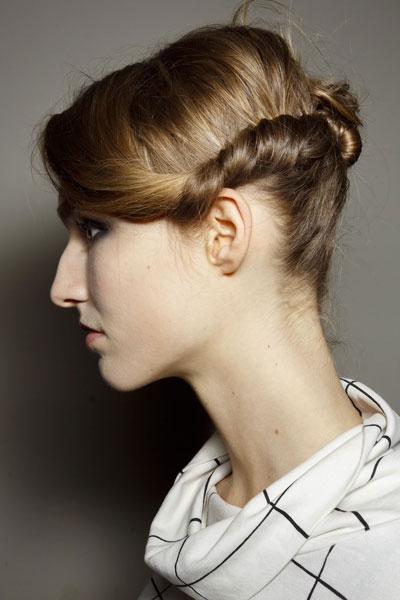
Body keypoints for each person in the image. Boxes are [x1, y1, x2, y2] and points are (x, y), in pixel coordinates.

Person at [39, 1, 400, 598]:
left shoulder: (385, 561)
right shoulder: (199, 524)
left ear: (223, 234)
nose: (62, 288)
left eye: (95, 229)